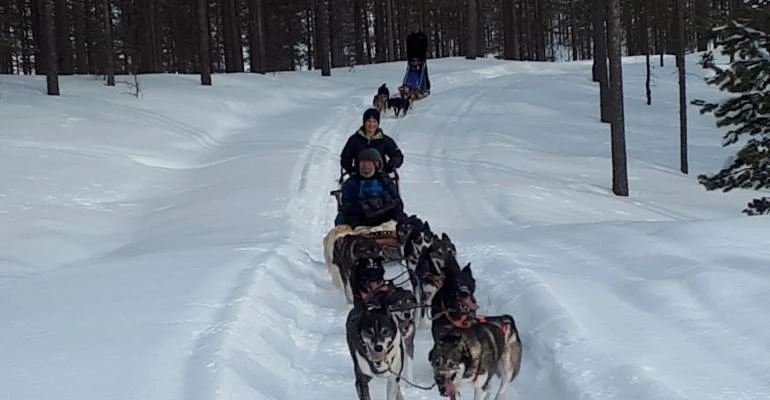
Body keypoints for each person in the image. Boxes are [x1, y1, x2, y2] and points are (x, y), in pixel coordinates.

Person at [335, 148, 404, 228]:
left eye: (369, 162)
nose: (366, 165)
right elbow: (348, 206)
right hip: (360, 219)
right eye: (363, 162)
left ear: (376, 164)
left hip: (385, 217)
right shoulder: (351, 183)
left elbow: (397, 201)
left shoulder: (385, 180)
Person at [340, 108, 404, 177]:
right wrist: (351, 170)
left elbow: (397, 155)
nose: (371, 124)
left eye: (374, 121)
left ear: (378, 123)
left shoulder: (385, 140)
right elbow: (345, 157)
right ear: (364, 122)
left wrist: (391, 165)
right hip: (359, 177)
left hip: (380, 177)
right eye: (369, 121)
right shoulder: (354, 140)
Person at [405, 29, 431, 94]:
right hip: (412, 59)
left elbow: (425, 47)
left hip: (421, 58)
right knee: (410, 73)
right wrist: (409, 59)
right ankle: (408, 87)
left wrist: (423, 58)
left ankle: (426, 88)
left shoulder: (422, 36)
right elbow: (408, 49)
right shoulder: (409, 37)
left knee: (423, 73)